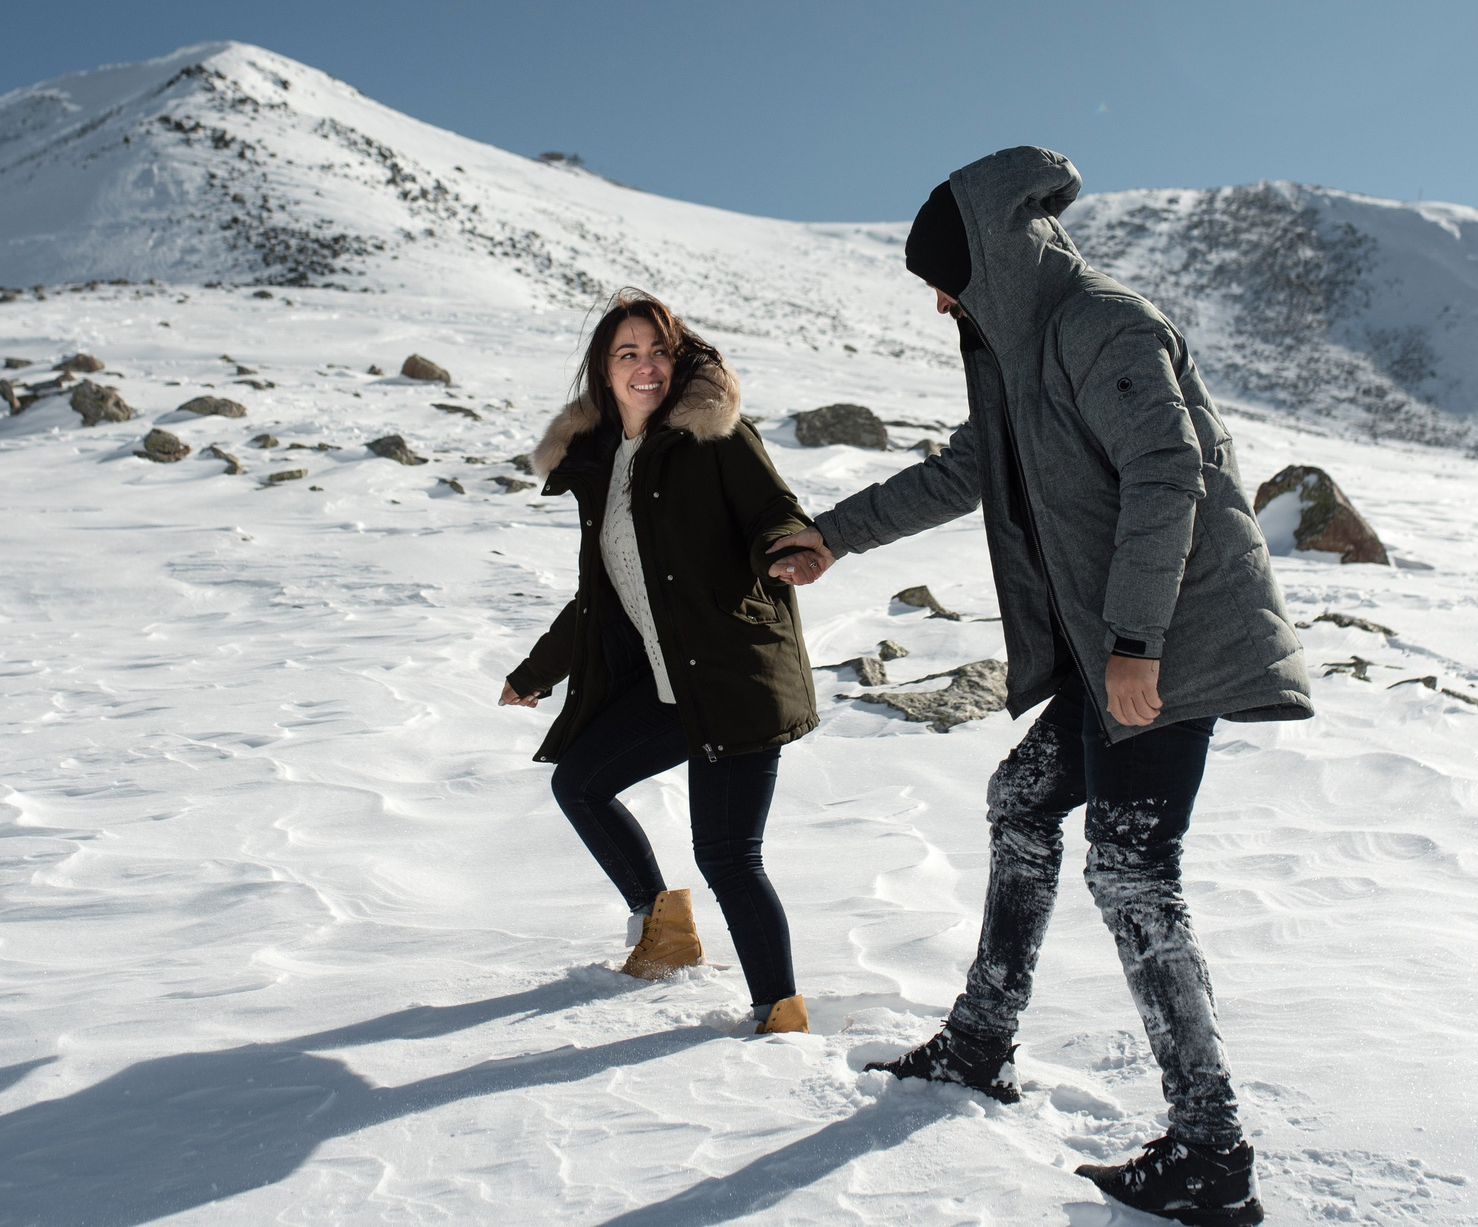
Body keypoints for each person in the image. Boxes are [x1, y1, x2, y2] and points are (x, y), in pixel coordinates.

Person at [765, 148, 1311, 1224]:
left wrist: (1136, 643)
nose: (937, 299)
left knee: (1131, 868)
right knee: (1022, 800)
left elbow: (1170, 475)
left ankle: (1210, 1146)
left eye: (947, 276)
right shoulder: (1024, 351)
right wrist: (832, 537)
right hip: (1123, 648)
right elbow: (963, 469)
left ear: (988, 261)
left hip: (1171, 647)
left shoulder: (1102, 325)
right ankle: (981, 1034)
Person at [501, 289, 822, 1035]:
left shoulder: (714, 438)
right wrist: (536, 670)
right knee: (580, 780)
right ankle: (664, 925)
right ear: (604, 373)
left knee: (728, 854)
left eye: (658, 350)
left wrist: (786, 546)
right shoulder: (607, 463)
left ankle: (781, 1015)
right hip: (668, 682)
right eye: (627, 353)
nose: (646, 366)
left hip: (733, 677)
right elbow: (601, 594)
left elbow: (775, 508)